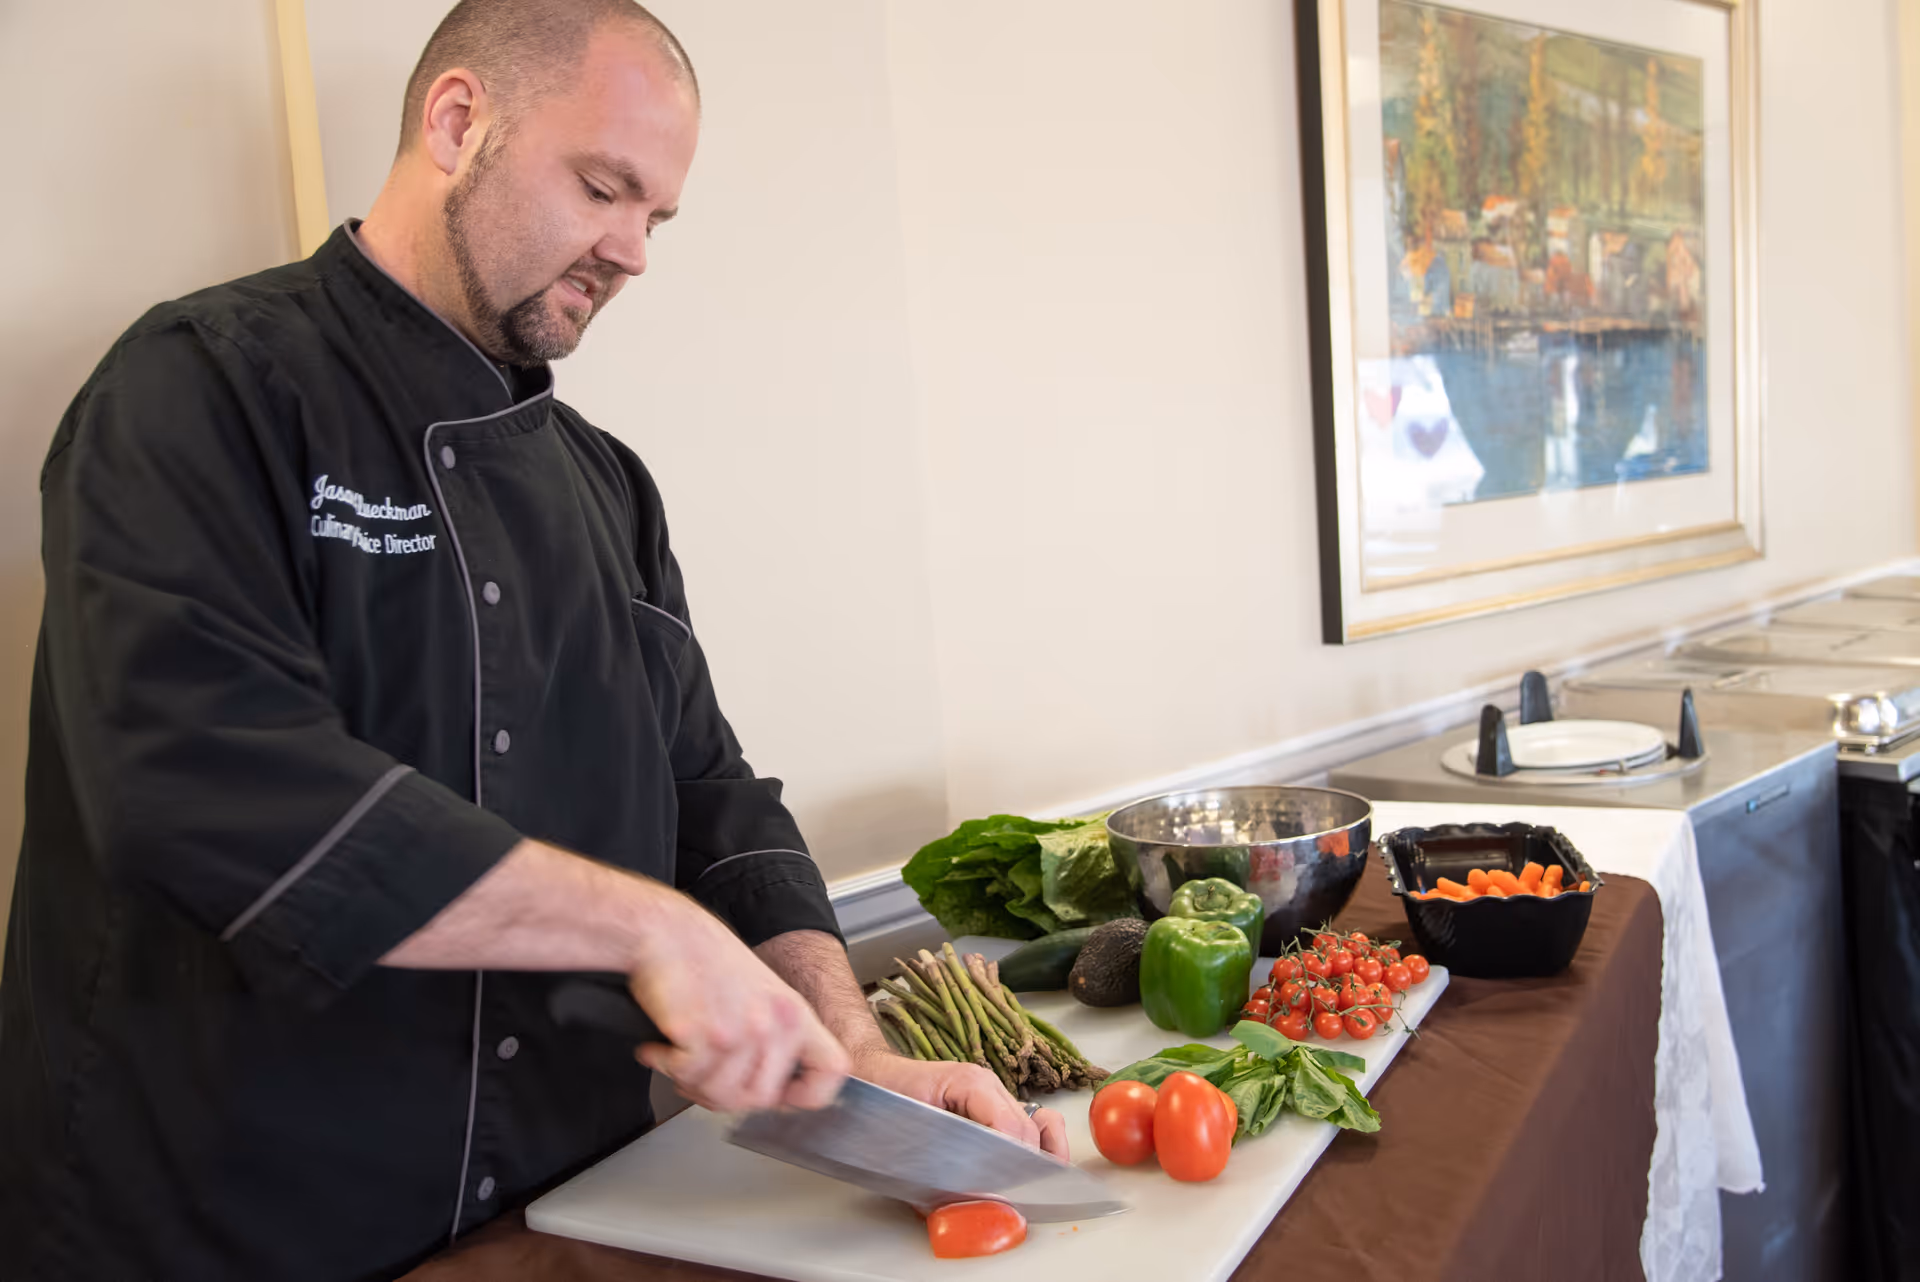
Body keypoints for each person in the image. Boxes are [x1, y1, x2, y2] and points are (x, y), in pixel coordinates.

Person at [0, 3, 1065, 1277]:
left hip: (562, 1216)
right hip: (227, 1225)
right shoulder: (203, 385)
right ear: (459, 122)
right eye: (604, 188)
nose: (632, 254)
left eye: (656, 217)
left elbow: (715, 803)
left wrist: (859, 1054)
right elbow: (196, 782)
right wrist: (646, 931)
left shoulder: (605, 486)